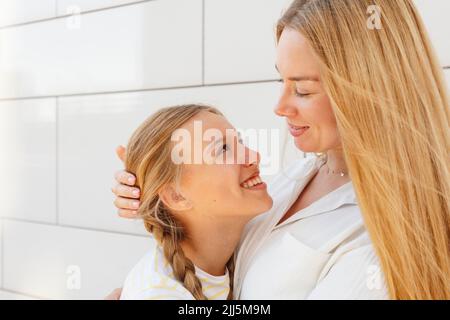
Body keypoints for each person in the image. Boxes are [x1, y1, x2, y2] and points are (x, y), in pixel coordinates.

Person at [111, 0, 450, 299]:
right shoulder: (298, 175)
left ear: (367, 90)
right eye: (282, 81)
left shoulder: (377, 241)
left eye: (302, 90)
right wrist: (155, 197)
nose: (280, 106)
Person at [117, 104, 273, 300]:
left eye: (240, 142)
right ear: (176, 196)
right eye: (223, 149)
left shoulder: (233, 256)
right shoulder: (159, 294)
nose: (254, 156)